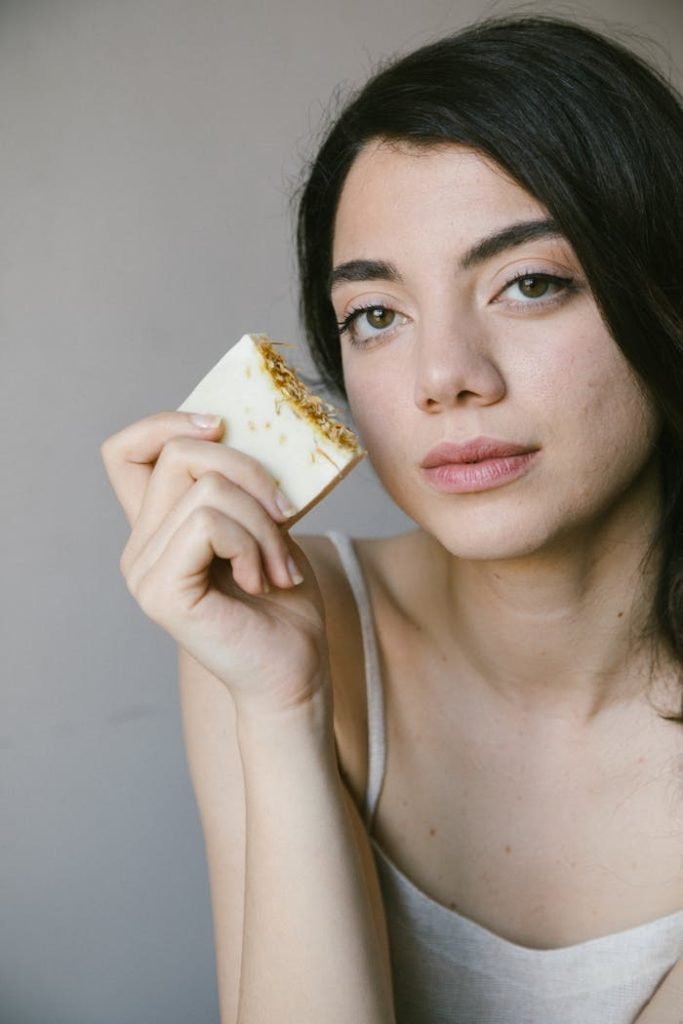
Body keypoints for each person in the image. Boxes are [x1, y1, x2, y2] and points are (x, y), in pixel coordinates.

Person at [101, 14, 683, 1023]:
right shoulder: (284, 621)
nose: (442, 378)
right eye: (376, 315)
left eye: (529, 283)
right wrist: (281, 711)